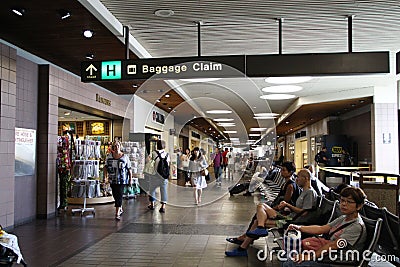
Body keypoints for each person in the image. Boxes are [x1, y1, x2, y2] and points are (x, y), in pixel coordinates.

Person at [225, 169, 317, 257]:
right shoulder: (304, 191)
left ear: (306, 178)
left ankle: (243, 248)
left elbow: (305, 213)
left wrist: (288, 206)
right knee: (260, 207)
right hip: (289, 216)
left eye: (299, 177)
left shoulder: (309, 193)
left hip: (292, 220)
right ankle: (255, 234)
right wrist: (288, 208)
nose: (296, 179)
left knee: (258, 219)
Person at [283, 187, 367, 266]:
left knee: (290, 263)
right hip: (327, 255)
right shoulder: (344, 218)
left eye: (349, 201)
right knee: (287, 256)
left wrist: (311, 257)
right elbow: (322, 229)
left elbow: (334, 245)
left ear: (359, 206)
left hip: (336, 262)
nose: (344, 204)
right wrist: (298, 227)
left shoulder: (356, 226)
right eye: (342, 200)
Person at [225, 162, 300, 247]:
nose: (281, 172)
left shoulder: (290, 186)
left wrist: (272, 208)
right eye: (281, 170)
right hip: (279, 208)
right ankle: (246, 238)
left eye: (284, 170)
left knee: (259, 216)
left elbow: (284, 204)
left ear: (290, 172)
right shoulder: (285, 183)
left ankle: (245, 238)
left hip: (284, 212)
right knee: (258, 216)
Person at [104, 141, 133, 220]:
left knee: (119, 194)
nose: (116, 147)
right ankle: (120, 207)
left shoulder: (125, 157)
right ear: (113, 147)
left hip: (122, 179)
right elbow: (105, 167)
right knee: (115, 195)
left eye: (118, 145)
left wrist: (130, 179)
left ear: (120, 146)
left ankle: (117, 212)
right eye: (115, 146)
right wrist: (105, 177)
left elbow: (129, 169)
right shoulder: (109, 156)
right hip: (112, 179)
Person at [147, 140, 170, 213]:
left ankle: (152, 204)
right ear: (164, 146)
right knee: (164, 190)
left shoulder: (154, 153)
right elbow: (168, 165)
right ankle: (163, 206)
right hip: (164, 176)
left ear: (157, 145)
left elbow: (148, 161)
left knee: (152, 189)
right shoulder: (167, 154)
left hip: (155, 175)